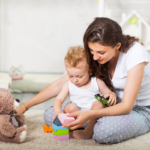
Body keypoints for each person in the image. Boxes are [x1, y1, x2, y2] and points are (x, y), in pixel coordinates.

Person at [17, 17, 150, 144]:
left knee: (103, 132)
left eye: (100, 53)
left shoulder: (135, 54)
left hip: (138, 110)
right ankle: (90, 122)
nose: (95, 57)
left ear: (117, 45)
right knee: (50, 115)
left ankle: (92, 124)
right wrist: (25, 106)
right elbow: (60, 85)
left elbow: (127, 106)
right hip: (104, 105)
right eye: (91, 51)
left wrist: (90, 114)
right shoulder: (96, 53)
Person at [52, 46, 117, 139]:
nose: (75, 80)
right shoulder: (68, 84)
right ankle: (73, 126)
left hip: (93, 118)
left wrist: (111, 95)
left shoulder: (97, 82)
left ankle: (88, 131)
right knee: (70, 107)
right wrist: (58, 112)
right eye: (71, 76)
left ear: (90, 71)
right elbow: (58, 99)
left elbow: (108, 93)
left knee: (97, 104)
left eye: (79, 76)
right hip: (78, 117)